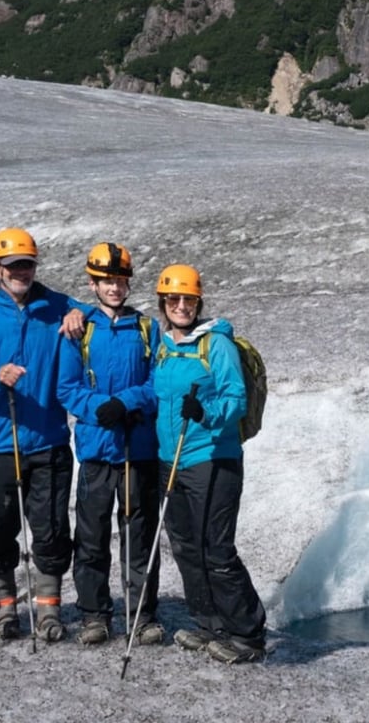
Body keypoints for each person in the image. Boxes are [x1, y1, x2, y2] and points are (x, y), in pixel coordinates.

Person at [0, 227, 87, 642]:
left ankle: (48, 611)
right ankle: (6, 609)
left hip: (47, 441)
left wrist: (80, 314)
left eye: (27, 264)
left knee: (49, 530)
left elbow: (101, 310)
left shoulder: (58, 305)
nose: (21, 272)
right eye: (13, 266)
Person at [151, 264, 267, 664]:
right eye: (173, 300)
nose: (181, 306)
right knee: (185, 546)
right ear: (163, 303)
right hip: (170, 460)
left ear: (199, 302)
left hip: (213, 458)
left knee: (216, 549)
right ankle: (209, 624)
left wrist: (204, 412)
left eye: (188, 299)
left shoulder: (216, 344)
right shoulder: (163, 345)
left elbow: (235, 400)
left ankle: (248, 634)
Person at [56, 243, 163, 646]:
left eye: (119, 281)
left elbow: (158, 383)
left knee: (139, 535)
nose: (114, 288)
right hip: (98, 449)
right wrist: (100, 406)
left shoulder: (147, 328)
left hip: (139, 451)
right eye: (106, 281)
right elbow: (67, 387)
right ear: (92, 283)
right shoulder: (78, 330)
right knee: (92, 537)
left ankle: (142, 615)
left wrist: (128, 402)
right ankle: (94, 615)